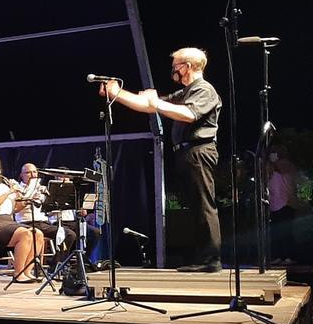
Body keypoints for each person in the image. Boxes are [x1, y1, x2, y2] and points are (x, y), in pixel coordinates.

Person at [101, 47, 222, 271]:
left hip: (199, 150)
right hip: (186, 153)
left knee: (204, 204)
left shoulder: (204, 90)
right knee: (196, 206)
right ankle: (203, 258)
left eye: (175, 65)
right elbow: (149, 105)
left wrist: (155, 103)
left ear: (187, 66)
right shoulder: (186, 92)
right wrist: (117, 94)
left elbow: (188, 114)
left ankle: (211, 260)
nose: (173, 70)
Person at [0, 156, 45, 283]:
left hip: (8, 221)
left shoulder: (2, 186)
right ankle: (18, 273)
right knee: (26, 234)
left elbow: (15, 208)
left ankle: (27, 272)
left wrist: (27, 199)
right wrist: (9, 192)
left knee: (38, 234)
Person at [13, 163, 77, 255]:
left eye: (34, 172)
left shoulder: (42, 188)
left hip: (45, 222)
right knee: (68, 234)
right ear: (21, 175)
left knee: (69, 234)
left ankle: (60, 262)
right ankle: (57, 265)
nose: (32, 175)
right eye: (28, 173)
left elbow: (50, 206)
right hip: (28, 222)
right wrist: (29, 198)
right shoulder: (17, 189)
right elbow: (15, 208)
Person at [267, 144, 304, 264]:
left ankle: (289, 256)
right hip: (275, 204)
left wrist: (268, 161)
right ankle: (278, 256)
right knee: (277, 233)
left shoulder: (286, 164)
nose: (272, 154)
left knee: (286, 232)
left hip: (286, 203)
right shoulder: (273, 167)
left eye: (275, 152)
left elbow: (277, 168)